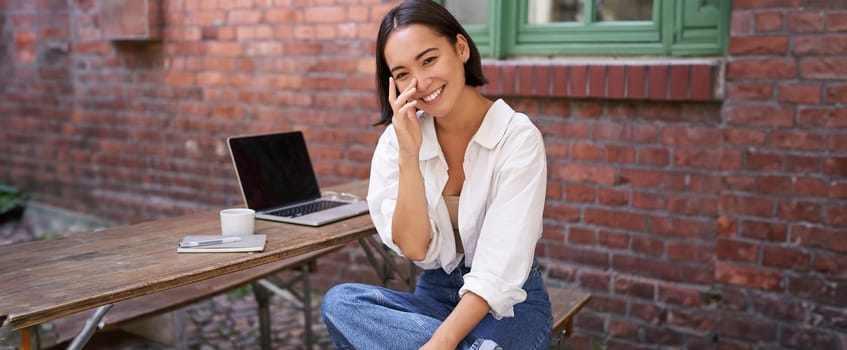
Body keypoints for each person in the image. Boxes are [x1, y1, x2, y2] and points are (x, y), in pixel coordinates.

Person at [320, 1, 551, 349]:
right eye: (402, 74)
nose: (421, 82)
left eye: (429, 60)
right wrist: (410, 155)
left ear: (460, 48)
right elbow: (414, 247)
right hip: (434, 295)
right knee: (341, 303)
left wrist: (439, 344)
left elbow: (496, 273)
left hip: (507, 304)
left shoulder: (517, 138)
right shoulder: (398, 141)